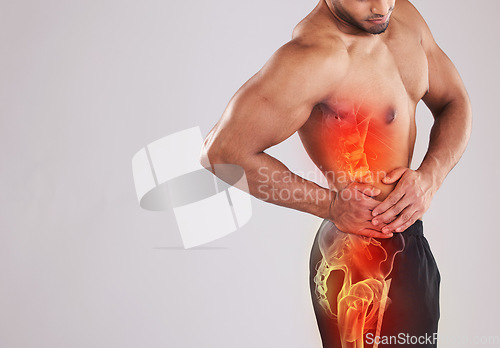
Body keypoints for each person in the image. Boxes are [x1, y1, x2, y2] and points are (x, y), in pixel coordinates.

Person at [200, 0, 472, 347]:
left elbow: (455, 101)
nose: (381, 6)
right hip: (358, 265)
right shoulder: (313, 57)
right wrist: (330, 206)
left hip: (411, 245)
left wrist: (431, 176)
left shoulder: (406, 18)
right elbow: (221, 153)